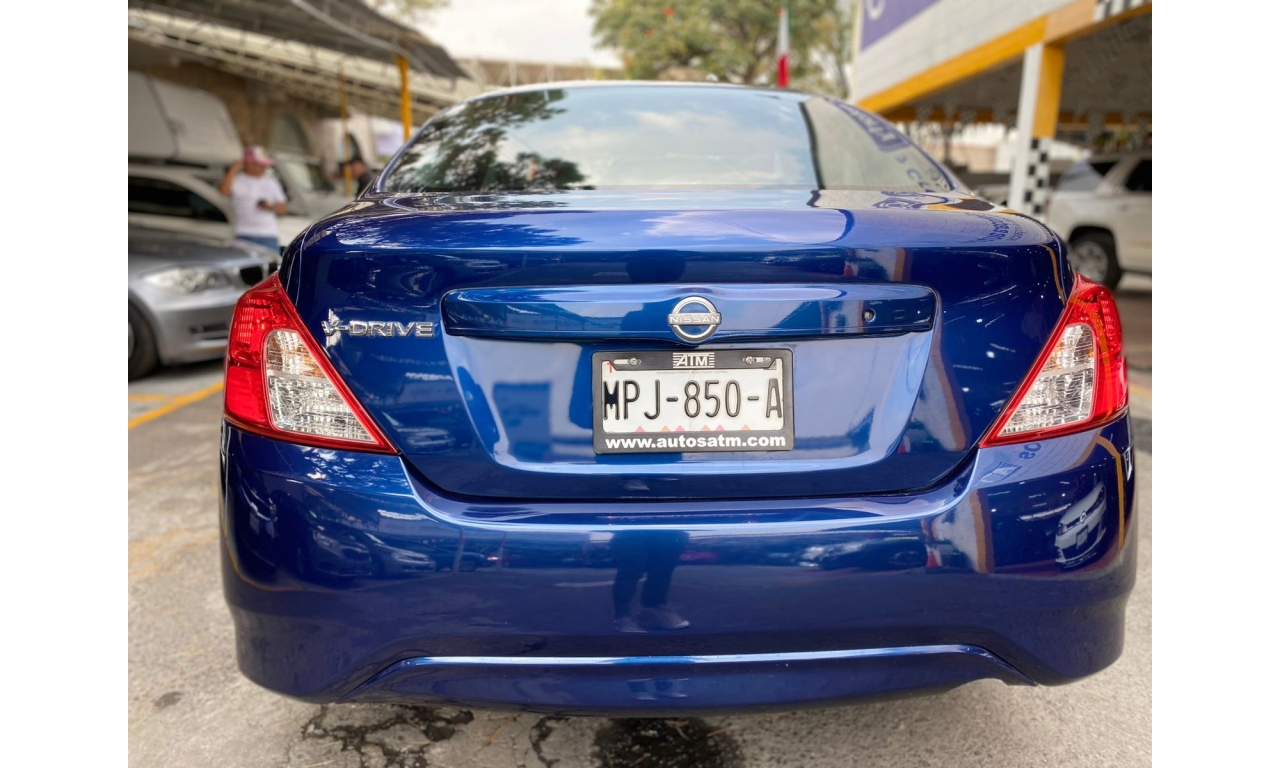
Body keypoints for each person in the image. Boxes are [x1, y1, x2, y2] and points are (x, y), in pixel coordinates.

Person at [219, 146, 289, 252]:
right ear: (249, 164)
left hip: (268, 235)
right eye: (260, 164)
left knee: (271, 262)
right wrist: (234, 169)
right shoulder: (237, 180)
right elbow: (223, 191)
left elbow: (284, 208)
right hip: (242, 234)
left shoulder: (271, 182)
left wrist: (269, 207)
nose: (264, 168)